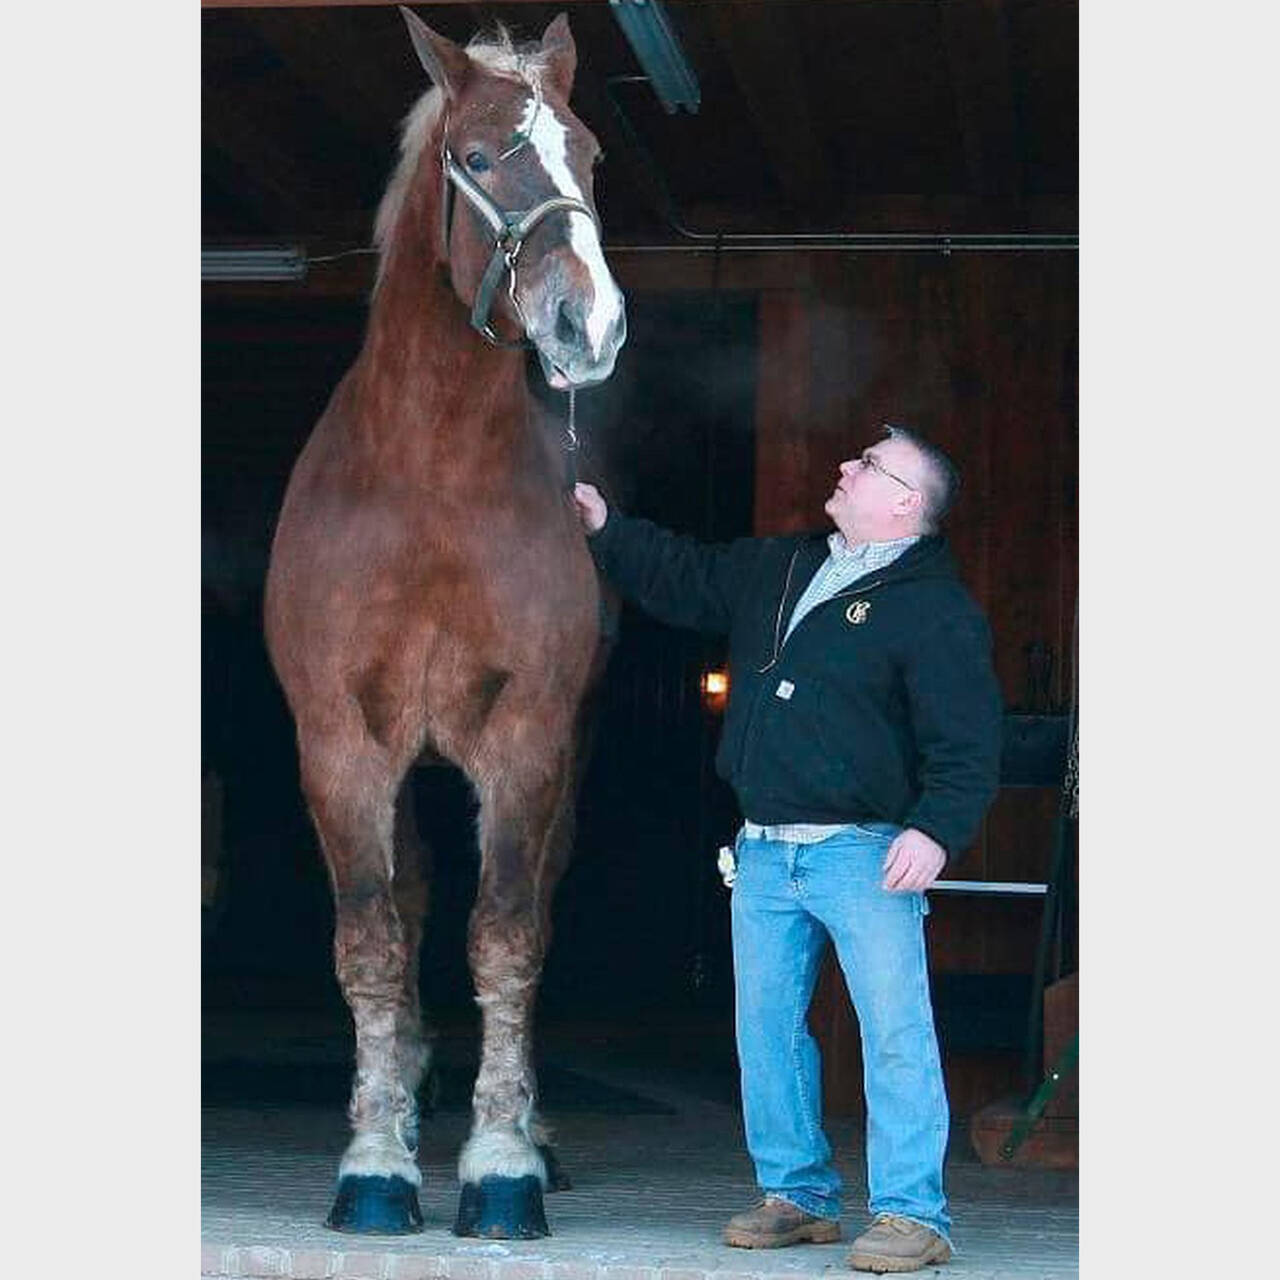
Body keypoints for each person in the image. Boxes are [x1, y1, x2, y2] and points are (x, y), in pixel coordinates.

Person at [572, 424, 1002, 1273]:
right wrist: (603, 526)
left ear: (906, 504)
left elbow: (968, 738)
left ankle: (914, 1214)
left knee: (894, 1035)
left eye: (869, 465)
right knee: (766, 1031)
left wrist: (937, 830)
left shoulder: (933, 605)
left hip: (865, 852)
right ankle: (799, 1197)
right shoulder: (783, 565)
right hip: (764, 850)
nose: (846, 466)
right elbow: (686, 575)